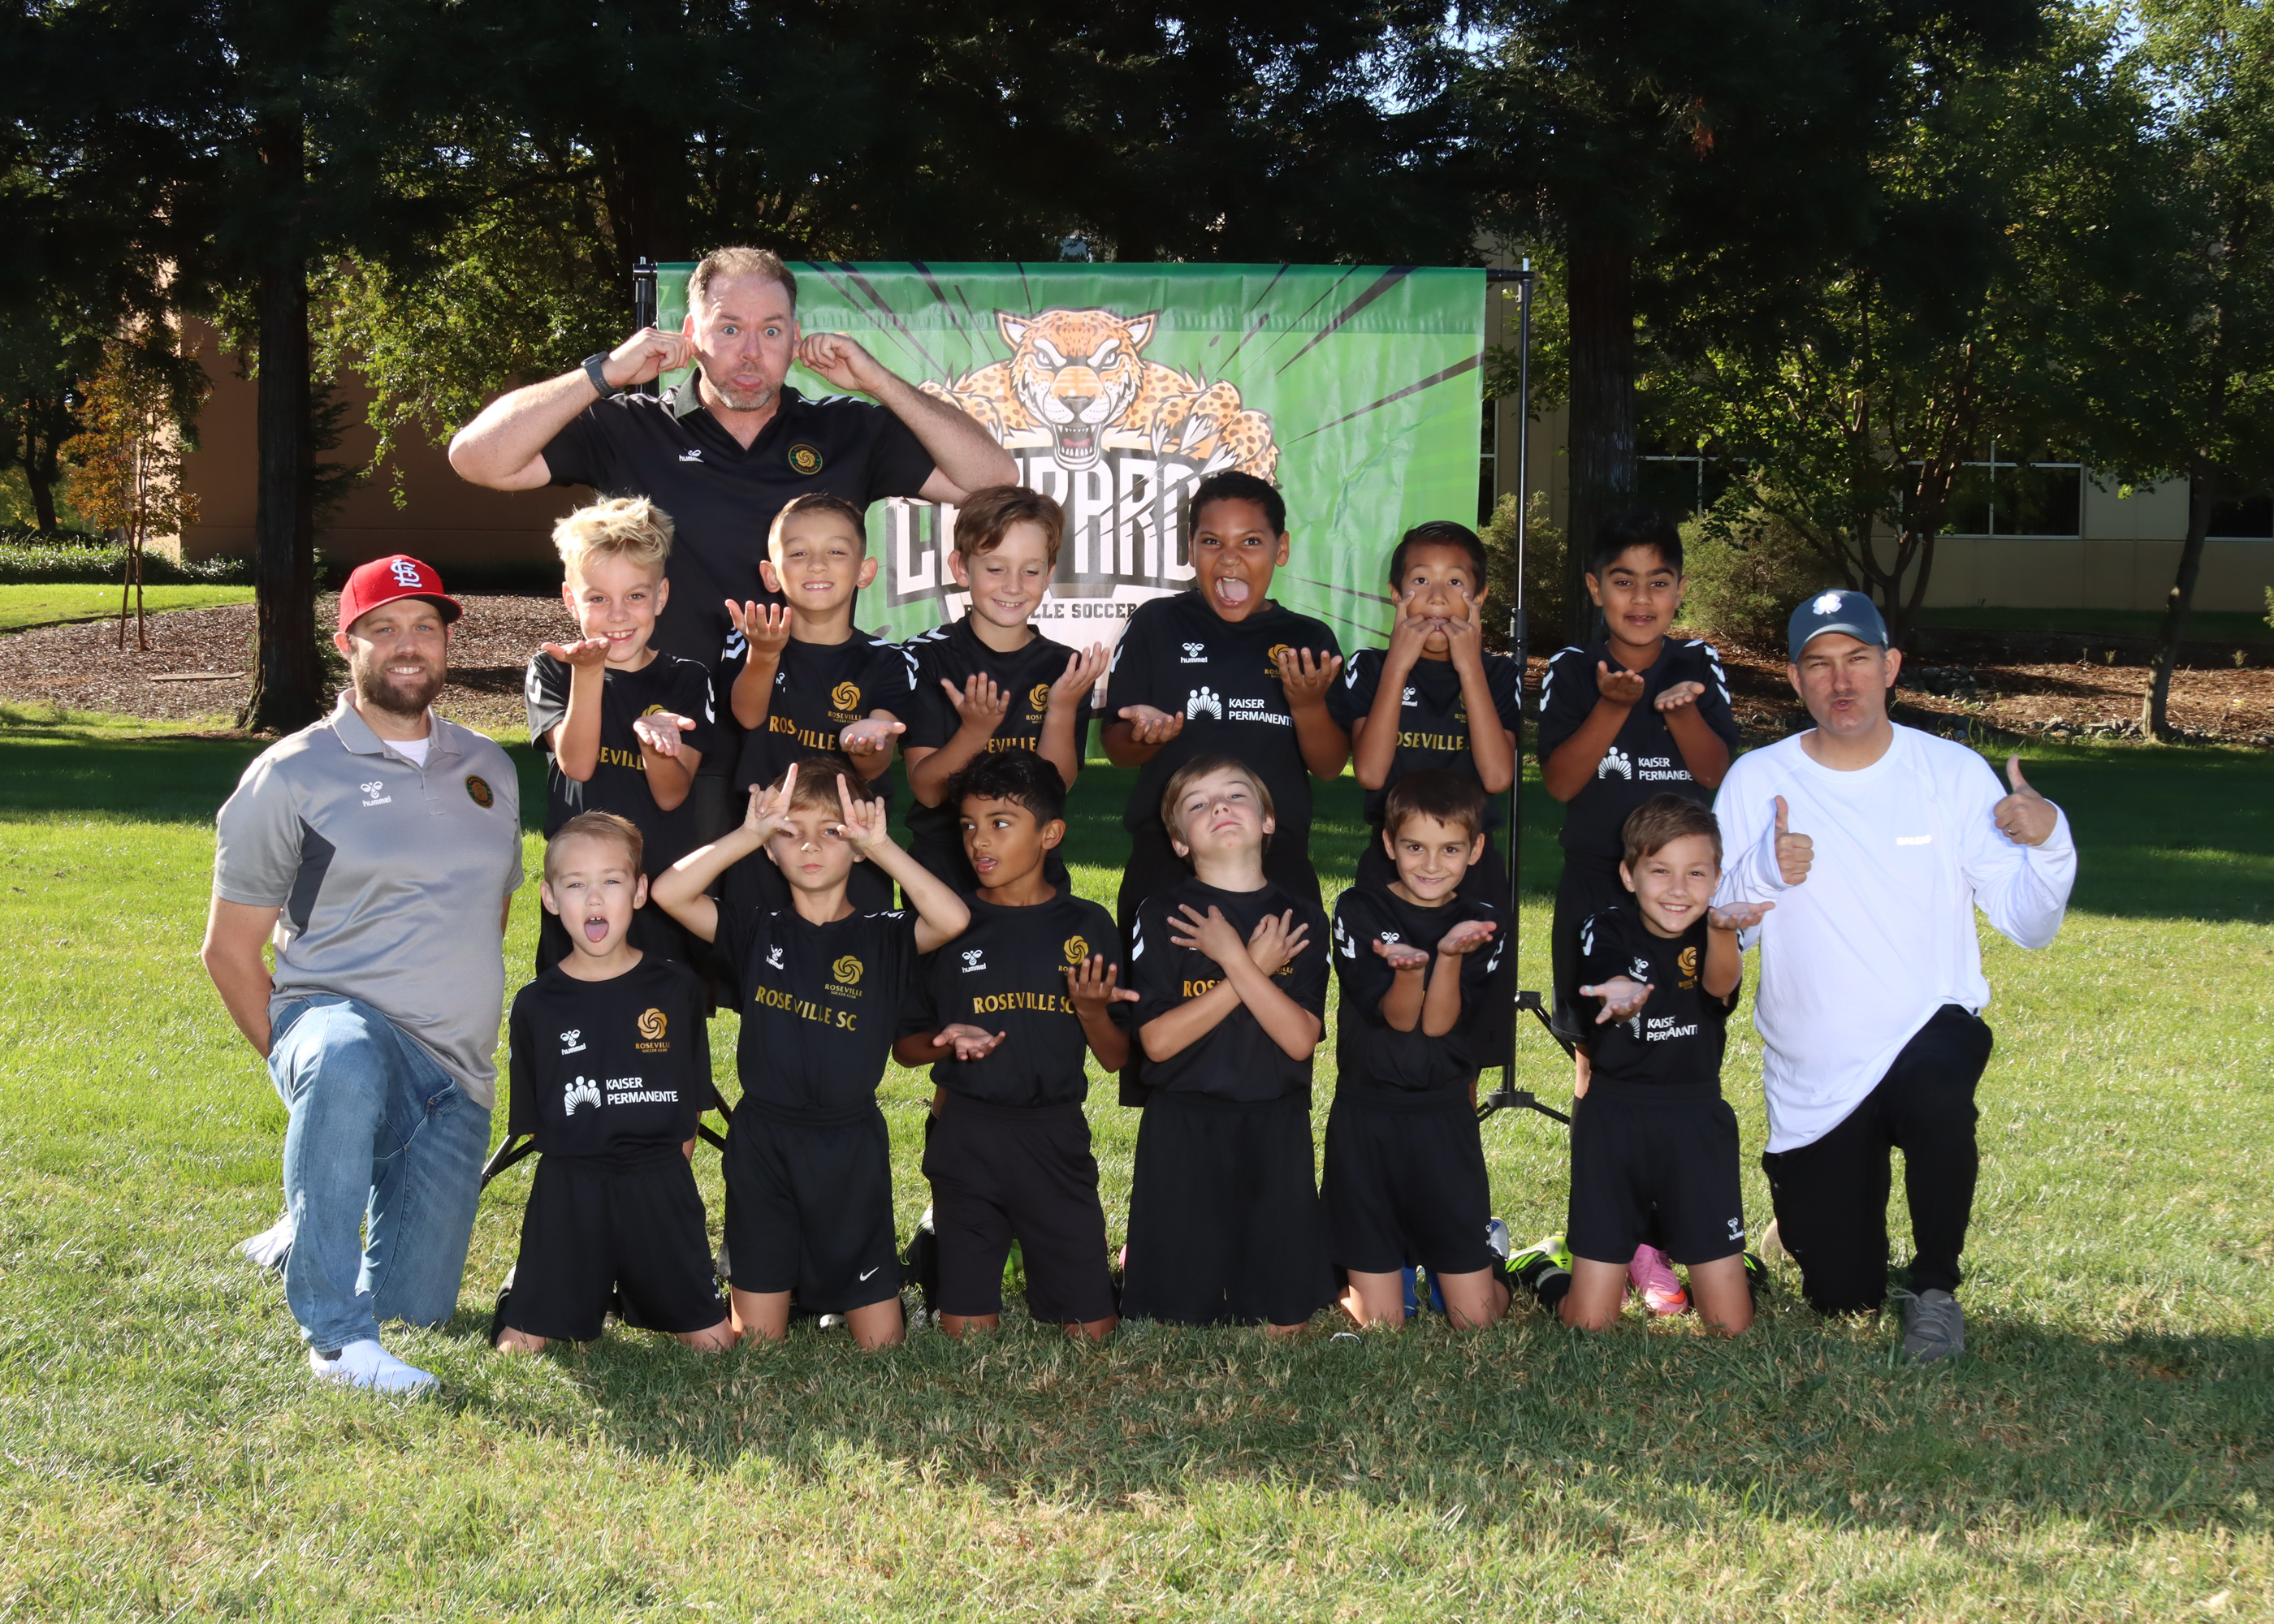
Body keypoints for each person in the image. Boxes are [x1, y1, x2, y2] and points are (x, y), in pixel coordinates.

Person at [446, 244, 1014, 846]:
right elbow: (477, 458)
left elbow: (994, 480)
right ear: (691, 335)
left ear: (795, 339)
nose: (750, 351)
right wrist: (603, 373)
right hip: (659, 744)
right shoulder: (631, 425)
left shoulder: (847, 429)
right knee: (646, 904)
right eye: (729, 328)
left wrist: (879, 381)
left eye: (771, 330)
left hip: (803, 755)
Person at [1709, 590, 2074, 1361]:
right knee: (1843, 1296)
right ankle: (1808, 1218)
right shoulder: (1756, 780)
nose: (1841, 682)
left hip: (1926, 1025)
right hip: (1816, 1064)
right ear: (1795, 678)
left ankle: (1937, 1289)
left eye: (1858, 660)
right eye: (1819, 665)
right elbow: (1720, 922)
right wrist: (1763, 870)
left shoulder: (1952, 772)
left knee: (1940, 1090)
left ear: (1891, 667)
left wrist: (2050, 843)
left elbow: (2029, 924)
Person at [201, 556, 524, 1393]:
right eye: (384, 628)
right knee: (345, 1060)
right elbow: (228, 950)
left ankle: (307, 1221)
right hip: (340, 1022)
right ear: (348, 643)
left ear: (446, 641)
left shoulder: (490, 767)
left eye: (425, 626)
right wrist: (309, 1073)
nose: (407, 645)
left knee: (418, 1309)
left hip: (456, 1075)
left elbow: (488, 913)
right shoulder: (291, 772)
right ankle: (337, 1342)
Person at [651, 761, 969, 1350]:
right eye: (791, 832)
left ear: (856, 848)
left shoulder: (884, 936)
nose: (810, 845)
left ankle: (854, 1292)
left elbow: (953, 918)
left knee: (882, 1347)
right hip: (764, 1143)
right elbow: (669, 892)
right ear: (771, 852)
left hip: (849, 1144)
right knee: (757, 1344)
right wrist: (747, 833)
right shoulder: (756, 930)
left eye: (831, 831)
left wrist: (882, 847)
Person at [1534, 508, 1739, 1312]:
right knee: (1597, 1058)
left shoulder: (1698, 662)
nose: (1641, 599)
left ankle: (1666, 1236)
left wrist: (1678, 710)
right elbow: (1560, 781)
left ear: (1680, 588)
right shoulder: (1572, 667)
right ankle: (1609, 1236)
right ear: (1595, 588)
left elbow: (1714, 771)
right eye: (1623, 581)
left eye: (1658, 582)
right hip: (1598, 887)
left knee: (1680, 1048)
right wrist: (1615, 706)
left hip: (1679, 893)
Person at [1098, 470, 1347, 1103]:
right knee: (1168, 1040)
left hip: (1274, 865)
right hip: (1169, 860)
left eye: (1251, 542)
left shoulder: (1308, 640)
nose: (1230, 560)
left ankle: (1266, 1136)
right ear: (1191, 549)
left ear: (1281, 550)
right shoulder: (1157, 624)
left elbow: (1328, 764)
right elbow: (1116, 747)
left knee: (1271, 1044)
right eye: (1212, 542)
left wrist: (1307, 706)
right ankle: (1175, 1139)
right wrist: (1143, 734)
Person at [1507, 795, 1766, 1337]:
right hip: (1614, 1120)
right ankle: (1541, 1267)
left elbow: (1720, 987)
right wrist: (1620, 991)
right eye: (1660, 871)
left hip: (1695, 1119)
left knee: (1731, 1327)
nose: (1678, 888)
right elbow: (1604, 967)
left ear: (1716, 878)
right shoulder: (1603, 926)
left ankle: (1723, 1263)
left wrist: (1723, 933)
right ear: (1629, 875)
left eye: (1696, 873)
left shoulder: (1716, 930)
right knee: (1590, 1324)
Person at [892, 751, 1128, 1340]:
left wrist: (1092, 1011)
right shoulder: (948, 925)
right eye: (968, 825)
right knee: (966, 1335)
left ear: (1050, 834)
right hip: (967, 1136)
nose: (979, 840)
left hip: (1054, 1136)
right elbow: (906, 1048)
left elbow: (1116, 1057)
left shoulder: (1088, 926)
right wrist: (945, 1043)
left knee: (1092, 1333)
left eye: (1000, 823)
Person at [492, 814, 734, 1354]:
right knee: (518, 1347)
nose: (594, 898)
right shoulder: (536, 1005)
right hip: (570, 1191)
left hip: (659, 1183)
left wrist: (665, 1187)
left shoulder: (676, 988)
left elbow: (690, 1105)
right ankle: (536, 1286)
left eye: (611, 880)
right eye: (576, 884)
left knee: (714, 1344)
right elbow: (535, 1123)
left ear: (640, 892)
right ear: (550, 899)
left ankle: (638, 1281)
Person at [1120, 756, 1334, 1332]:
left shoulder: (1302, 918)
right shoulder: (1161, 914)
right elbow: (1158, 1042)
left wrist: (1236, 960)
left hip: (1276, 1122)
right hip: (1183, 1123)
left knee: (1282, 1325)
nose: (1219, 807)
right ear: (1179, 842)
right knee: (1173, 1322)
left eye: (1236, 795)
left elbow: (1299, 1040)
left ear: (1268, 820)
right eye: (1198, 804)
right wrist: (1253, 967)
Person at [1325, 771, 1510, 1332]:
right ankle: (1364, 1266)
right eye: (1414, 847)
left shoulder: (1481, 921)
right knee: (1384, 1325)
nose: (1431, 864)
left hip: (1443, 1118)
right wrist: (1410, 970)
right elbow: (1401, 1017)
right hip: (1367, 1118)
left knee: (1474, 1321)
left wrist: (1447, 956)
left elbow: (1437, 1024)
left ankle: (1496, 1262)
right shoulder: (1357, 907)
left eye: (1450, 849)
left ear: (1475, 849)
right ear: (1389, 844)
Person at [523, 496, 715, 974]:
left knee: (666, 1011)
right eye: (597, 599)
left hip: (662, 888)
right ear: (571, 600)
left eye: (635, 596)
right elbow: (577, 764)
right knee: (571, 1009)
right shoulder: (553, 669)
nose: (618, 615)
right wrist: (588, 674)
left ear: (661, 596)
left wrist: (655, 747)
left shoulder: (687, 679)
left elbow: (672, 796)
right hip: (579, 894)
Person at [898, 485, 1109, 892]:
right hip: (944, 875)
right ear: (961, 567)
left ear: (1048, 575)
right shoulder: (925, 658)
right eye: (996, 569)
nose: (1014, 586)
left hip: (1034, 880)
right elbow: (927, 791)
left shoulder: (1064, 669)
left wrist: (1062, 708)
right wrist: (975, 731)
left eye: (1030, 571)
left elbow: (1054, 790)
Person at [719, 492, 919, 914]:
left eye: (836, 551)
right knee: (754, 949)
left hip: (851, 844)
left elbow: (875, 764)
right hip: (764, 839)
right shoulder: (749, 640)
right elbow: (747, 716)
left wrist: (867, 741)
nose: (817, 564)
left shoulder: (888, 660)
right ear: (771, 575)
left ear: (865, 571)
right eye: (798, 553)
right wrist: (764, 655)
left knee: (858, 950)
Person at [1332, 520, 1523, 901]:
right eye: (1420, 581)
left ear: (1479, 595)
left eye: (1454, 582)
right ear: (1395, 593)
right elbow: (1370, 772)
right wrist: (1398, 666)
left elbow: (1498, 776)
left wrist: (1469, 668)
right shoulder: (1370, 666)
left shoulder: (1499, 674)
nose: (1437, 598)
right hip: (1393, 859)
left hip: (1472, 864)